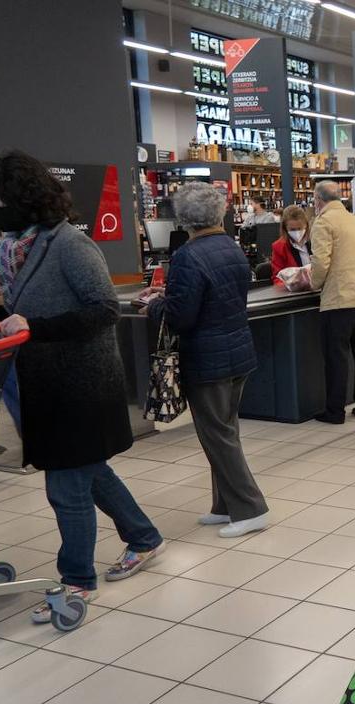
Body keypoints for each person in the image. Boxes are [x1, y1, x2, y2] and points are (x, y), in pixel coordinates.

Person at [0, 150, 164, 622]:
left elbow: (103, 309)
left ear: (21, 196)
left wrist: (35, 327)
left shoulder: (69, 244)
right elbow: (19, 314)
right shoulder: (9, 252)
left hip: (83, 385)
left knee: (66, 487)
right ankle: (145, 537)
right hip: (43, 385)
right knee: (90, 473)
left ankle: (75, 581)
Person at [143, 183, 268, 539]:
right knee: (226, 431)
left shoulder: (188, 256)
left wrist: (154, 305)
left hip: (207, 357)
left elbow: (182, 316)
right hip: (238, 350)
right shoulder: (231, 247)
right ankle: (224, 504)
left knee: (217, 435)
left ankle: (251, 508)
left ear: (183, 219)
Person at [309, 180, 355, 423]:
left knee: (336, 355)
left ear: (317, 199)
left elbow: (321, 262)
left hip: (339, 296)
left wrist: (313, 283)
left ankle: (334, 411)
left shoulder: (324, 222)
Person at [271, 204, 312, 288]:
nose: (297, 232)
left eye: (300, 228)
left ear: (306, 226)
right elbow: (277, 278)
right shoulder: (279, 247)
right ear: (285, 228)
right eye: (292, 229)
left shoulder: (316, 241)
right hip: (294, 294)